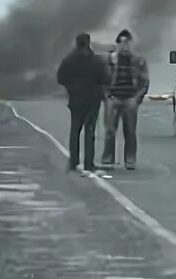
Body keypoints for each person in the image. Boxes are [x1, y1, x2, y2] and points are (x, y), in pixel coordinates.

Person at [56, 33, 108, 174]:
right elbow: (105, 78)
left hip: (76, 99)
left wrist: (71, 87)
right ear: (88, 43)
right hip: (92, 99)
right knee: (89, 131)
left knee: (75, 131)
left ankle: (73, 162)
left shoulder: (68, 60)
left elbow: (60, 78)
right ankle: (88, 164)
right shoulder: (96, 60)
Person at [101, 29, 149, 170]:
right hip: (113, 98)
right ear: (117, 44)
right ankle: (108, 160)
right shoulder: (109, 60)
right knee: (110, 130)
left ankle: (130, 159)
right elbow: (101, 80)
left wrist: (136, 98)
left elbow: (144, 82)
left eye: (127, 43)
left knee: (130, 131)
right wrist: (106, 96)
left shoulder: (139, 61)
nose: (125, 46)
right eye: (122, 43)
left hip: (130, 99)